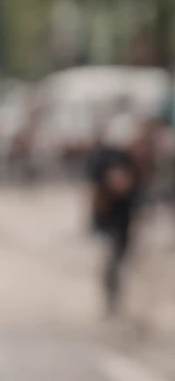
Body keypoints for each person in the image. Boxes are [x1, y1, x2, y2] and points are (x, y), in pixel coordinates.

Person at [86, 103, 142, 314]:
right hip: (107, 216)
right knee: (111, 258)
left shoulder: (131, 157)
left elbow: (136, 185)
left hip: (125, 216)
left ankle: (117, 299)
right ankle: (110, 299)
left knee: (122, 258)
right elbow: (97, 182)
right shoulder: (102, 156)